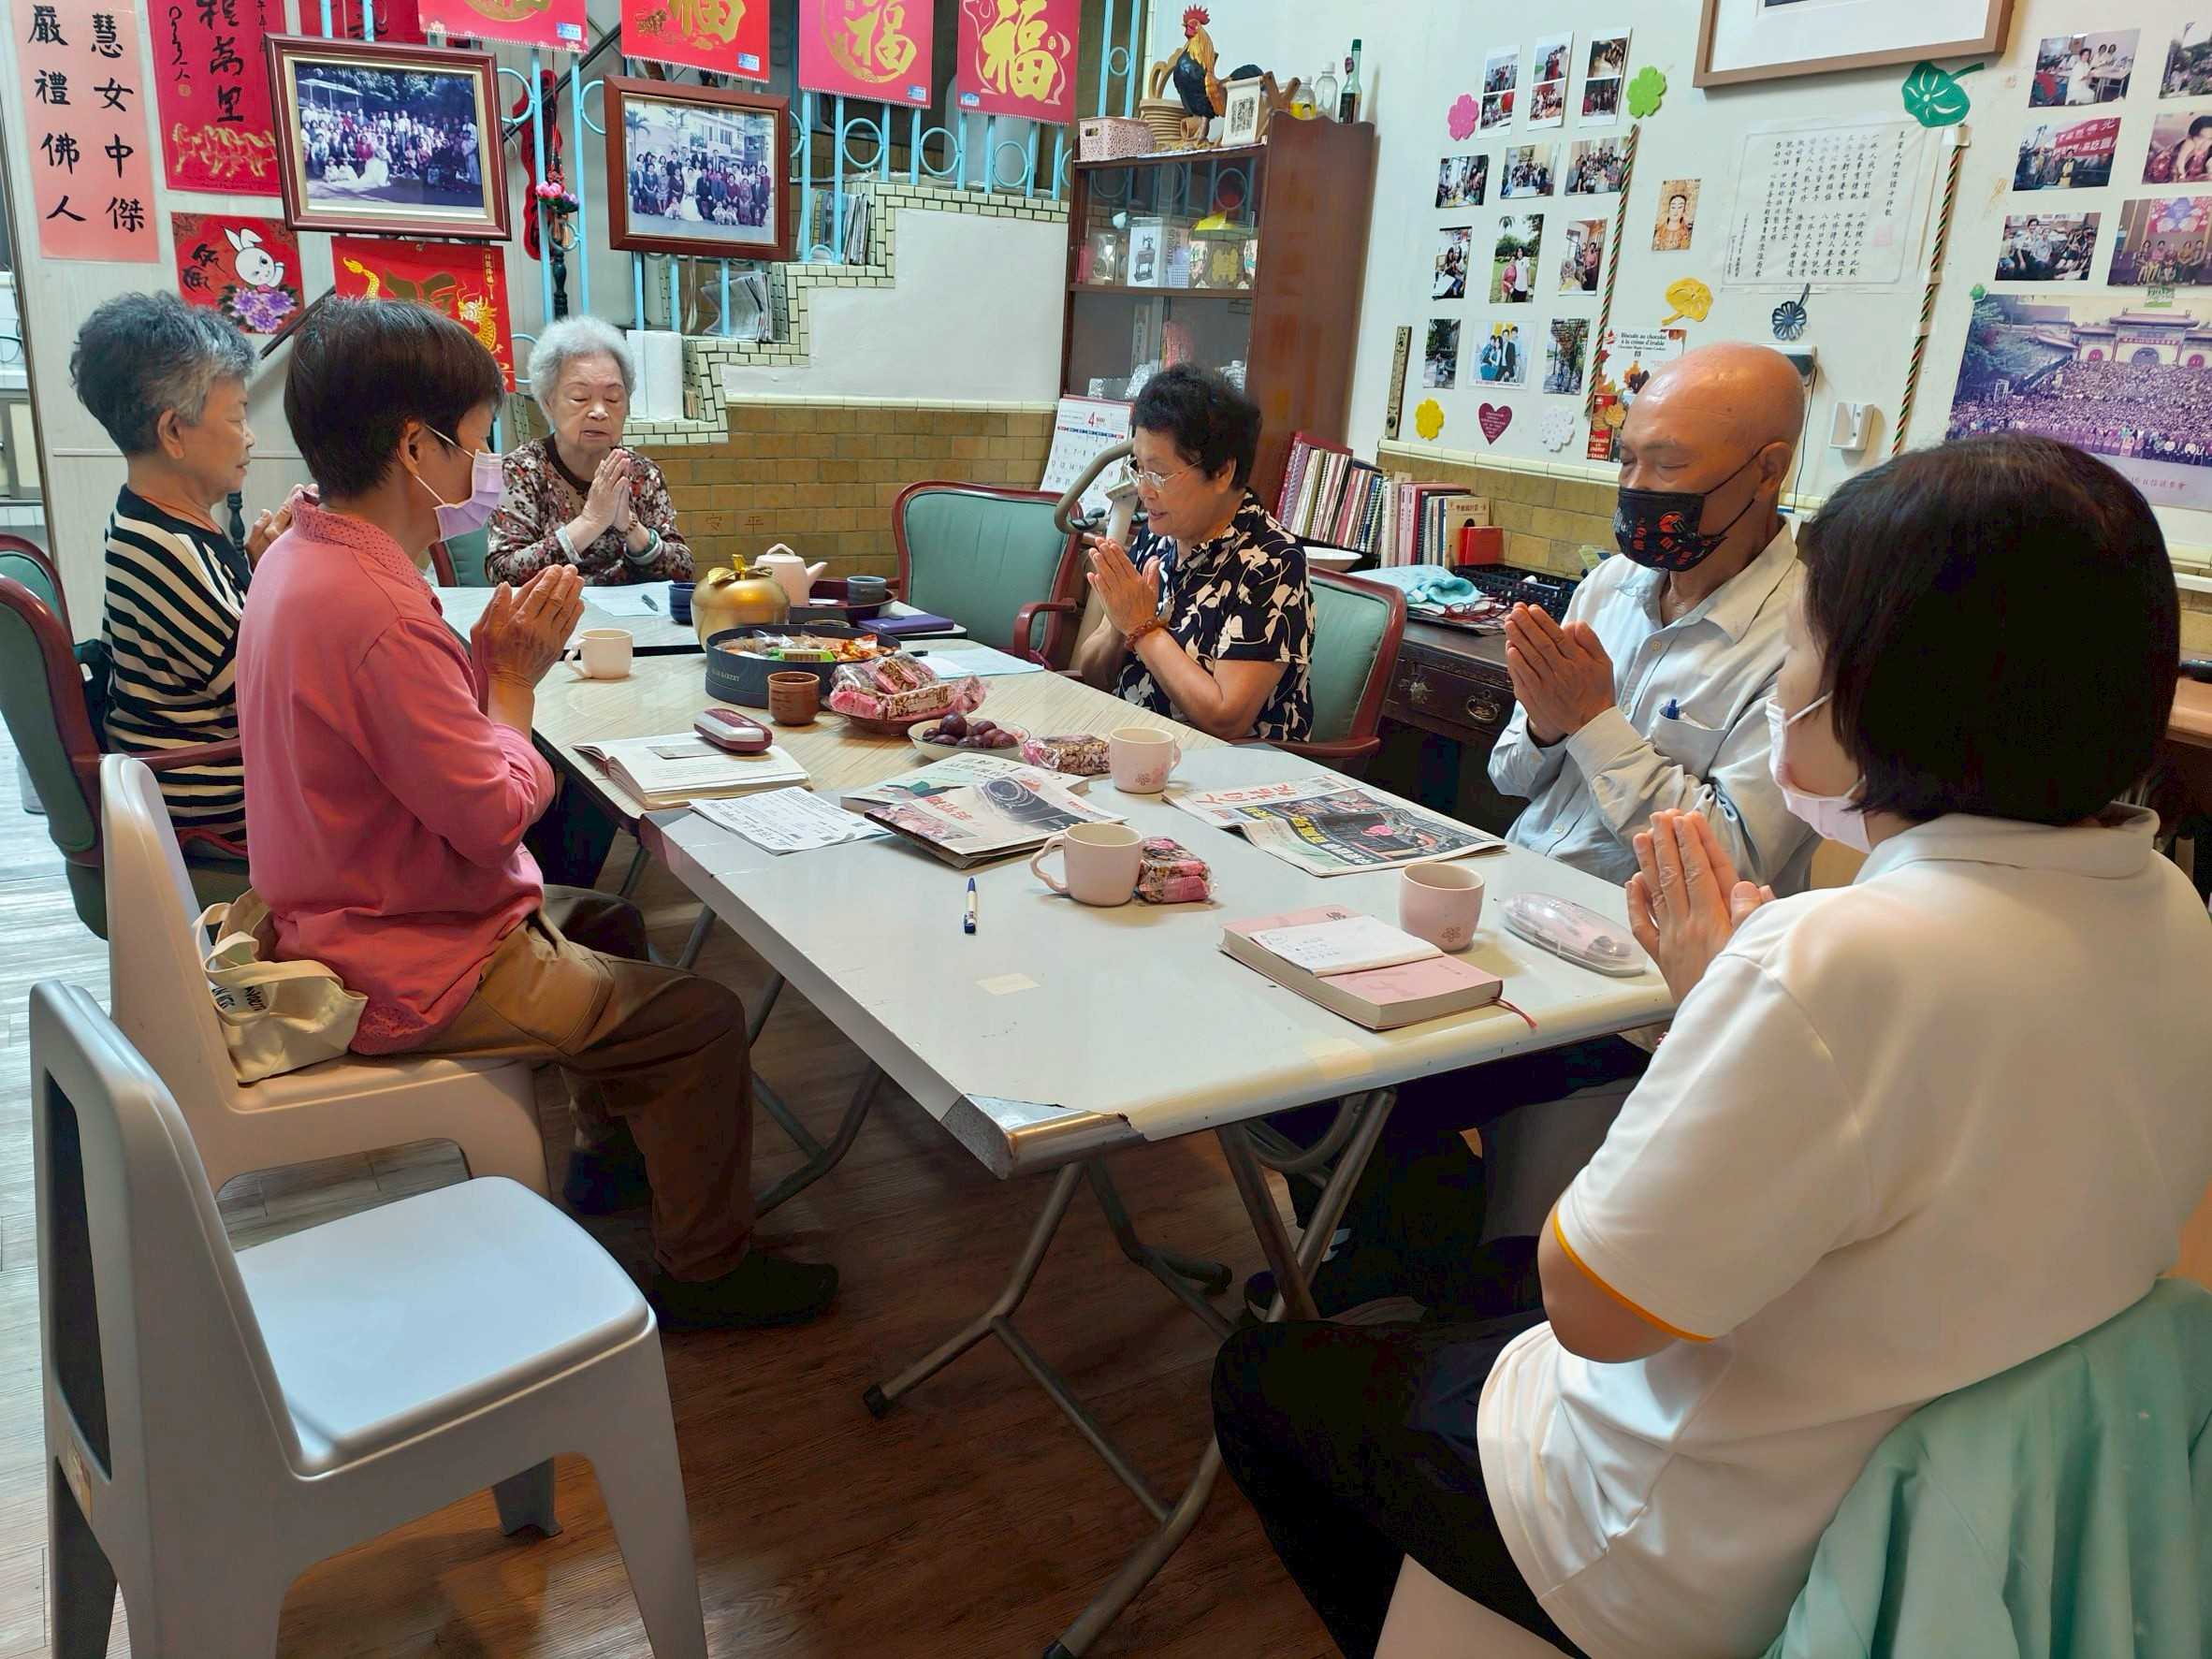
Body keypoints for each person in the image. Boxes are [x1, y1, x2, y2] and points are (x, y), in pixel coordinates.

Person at [1215, 432, 2212, 1659]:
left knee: (1267, 1387)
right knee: (1463, 1280)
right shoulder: (2172, 914)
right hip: (1936, 1506)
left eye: (1800, 649)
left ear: (1884, 689)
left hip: (1689, 1549)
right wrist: (1730, 1003)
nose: (1785, 679)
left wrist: (1729, 998)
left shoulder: (1839, 959)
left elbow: (1593, 1310)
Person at [237, 298, 837, 1331]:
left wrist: (484, 666)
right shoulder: (375, 606)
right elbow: (493, 816)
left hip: (347, 902)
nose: (480, 468)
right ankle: (706, 1272)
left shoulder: (302, 553)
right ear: (413, 447)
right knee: (701, 1019)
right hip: (406, 953)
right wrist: (513, 680)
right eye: (472, 444)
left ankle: (610, 1157)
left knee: (610, 919)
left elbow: (411, 742)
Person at [1248, 343, 1819, 1321]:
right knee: (1292, 1021)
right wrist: (1551, 724)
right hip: (1515, 910)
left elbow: (1731, 858)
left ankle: (1431, 1270)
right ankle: (1402, 1250)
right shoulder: (1609, 587)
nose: (1639, 489)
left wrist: (1593, 722)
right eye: (1628, 459)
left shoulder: (1804, 634)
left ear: (1767, 470)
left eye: (1669, 465)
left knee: (1365, 1078)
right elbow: (1512, 775)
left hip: (1633, 978)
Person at [68, 293, 291, 846]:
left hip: (179, 779)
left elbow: (229, 644)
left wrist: (261, 570)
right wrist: (291, 579)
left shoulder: (143, 517)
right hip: (213, 807)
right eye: (237, 416)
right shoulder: (170, 552)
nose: (249, 435)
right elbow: (275, 693)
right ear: (173, 432)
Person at [1072, 365, 1313, 743]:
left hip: (1229, 766)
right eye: (1138, 468)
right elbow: (1094, 677)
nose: (1144, 490)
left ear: (1222, 472)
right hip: (1138, 747)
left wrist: (1143, 628)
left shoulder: (1272, 562)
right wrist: (1118, 628)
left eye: (1159, 474)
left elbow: (1225, 720)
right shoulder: (1159, 537)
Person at [487, 315, 694, 588]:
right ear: (548, 403)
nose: (599, 411)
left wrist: (631, 527)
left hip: (630, 614)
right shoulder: (521, 470)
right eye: (580, 398)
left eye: (613, 399)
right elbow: (503, 572)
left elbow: (683, 570)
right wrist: (590, 521)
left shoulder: (642, 473)